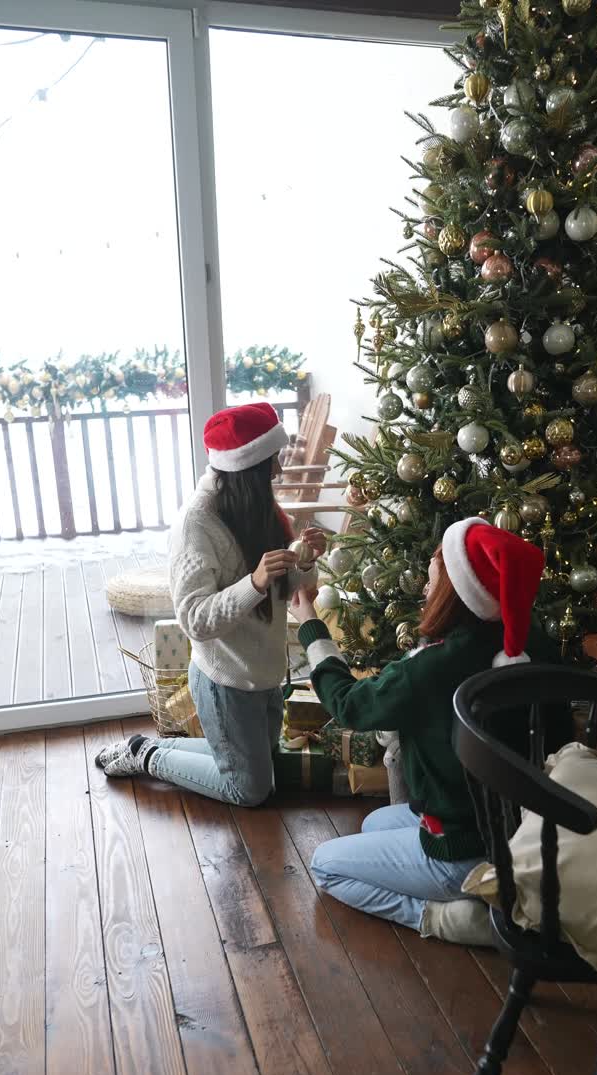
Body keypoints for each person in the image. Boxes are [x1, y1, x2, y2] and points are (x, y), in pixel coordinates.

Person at [289, 516, 571, 946]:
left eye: (434, 575)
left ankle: (449, 918)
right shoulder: (527, 640)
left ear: (457, 590)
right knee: (376, 823)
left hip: (468, 847)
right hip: (524, 827)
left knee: (326, 864)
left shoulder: (435, 666)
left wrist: (310, 622)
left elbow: (348, 704)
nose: (425, 585)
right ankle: (483, 895)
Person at [96, 402, 326, 805]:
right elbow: (193, 620)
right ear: (247, 469)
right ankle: (146, 756)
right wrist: (253, 583)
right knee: (249, 790)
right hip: (227, 683)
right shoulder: (196, 524)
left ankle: (150, 746)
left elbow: (292, 592)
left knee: (262, 771)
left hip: (265, 675)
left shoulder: (257, 509)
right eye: (271, 462)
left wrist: (306, 562)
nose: (278, 471)